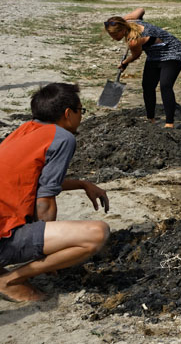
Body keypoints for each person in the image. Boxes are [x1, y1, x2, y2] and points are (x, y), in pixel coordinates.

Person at [0, 83, 109, 302]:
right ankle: (10, 281)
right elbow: (44, 202)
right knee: (97, 233)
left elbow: (29, 181)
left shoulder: (24, 130)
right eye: (81, 111)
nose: (81, 117)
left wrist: (81, 184)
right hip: (4, 237)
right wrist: (49, 256)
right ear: (68, 114)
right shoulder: (62, 138)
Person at [104, 10, 181, 128]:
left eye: (114, 35)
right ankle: (150, 119)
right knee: (147, 86)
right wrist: (122, 19)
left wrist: (125, 62)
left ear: (122, 30)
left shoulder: (133, 40)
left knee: (165, 85)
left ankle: (169, 123)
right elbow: (140, 10)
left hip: (172, 51)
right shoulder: (128, 21)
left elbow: (136, 55)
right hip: (154, 55)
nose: (113, 38)